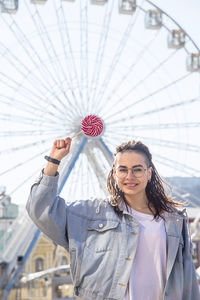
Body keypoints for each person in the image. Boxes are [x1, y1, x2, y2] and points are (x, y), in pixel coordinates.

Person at [26, 137, 200, 300]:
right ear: (115, 174)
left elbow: (188, 281)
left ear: (149, 173)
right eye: (122, 170)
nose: (129, 176)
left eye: (137, 169)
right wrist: (53, 161)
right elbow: (41, 209)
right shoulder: (92, 213)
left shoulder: (173, 221)